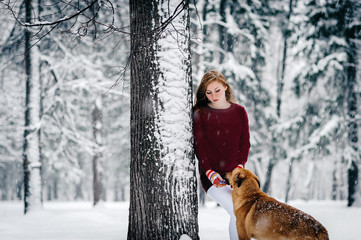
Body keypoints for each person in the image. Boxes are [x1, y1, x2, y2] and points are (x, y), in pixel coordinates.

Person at [193, 70, 250, 240]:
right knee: (236, 212)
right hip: (212, 177)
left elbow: (245, 143)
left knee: (247, 214)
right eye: (208, 92)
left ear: (225, 86)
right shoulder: (200, 113)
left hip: (236, 176)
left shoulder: (240, 111)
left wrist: (239, 169)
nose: (213, 96)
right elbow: (200, 147)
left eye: (217, 90)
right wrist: (210, 173)